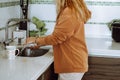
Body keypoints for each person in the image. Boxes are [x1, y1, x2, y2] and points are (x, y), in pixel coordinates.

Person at [26, 0, 91, 80]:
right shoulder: (73, 10)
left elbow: (57, 37)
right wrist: (41, 43)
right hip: (74, 61)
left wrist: (36, 40)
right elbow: (61, 36)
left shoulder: (69, 13)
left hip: (71, 63)